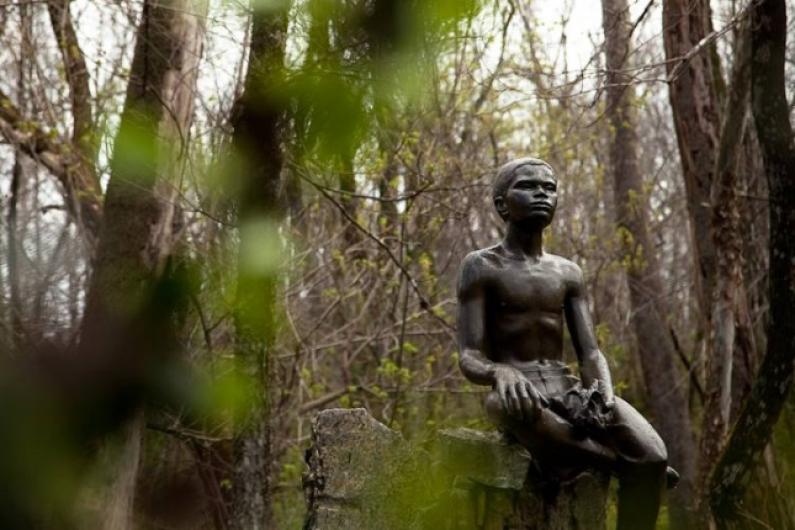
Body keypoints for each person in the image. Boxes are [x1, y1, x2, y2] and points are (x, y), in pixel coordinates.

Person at [456, 157, 675, 530]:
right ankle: (623, 466)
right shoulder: (480, 266)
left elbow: (589, 351)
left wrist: (602, 392)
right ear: (501, 204)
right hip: (516, 391)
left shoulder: (567, 272)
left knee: (654, 454)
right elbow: (469, 356)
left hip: (567, 387)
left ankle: (641, 469)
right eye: (528, 185)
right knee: (513, 409)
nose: (543, 193)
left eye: (550, 187)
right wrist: (500, 372)